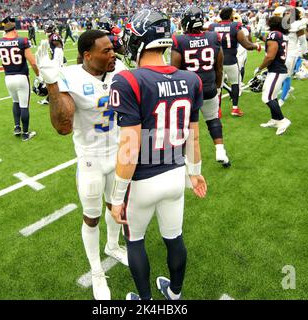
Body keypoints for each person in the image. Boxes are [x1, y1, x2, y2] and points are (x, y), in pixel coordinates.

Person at [108, 9, 207, 301]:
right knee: (174, 237)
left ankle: (145, 301)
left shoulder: (128, 80)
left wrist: (116, 196)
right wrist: (195, 171)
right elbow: (194, 135)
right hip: (175, 174)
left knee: (135, 240)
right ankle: (175, 294)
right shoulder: (191, 79)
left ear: (141, 40)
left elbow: (130, 145)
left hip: (141, 180)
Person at [35, 30, 128, 300]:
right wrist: (52, 84)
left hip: (118, 152)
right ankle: (97, 272)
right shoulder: (71, 76)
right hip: (91, 158)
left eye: (113, 49)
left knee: (117, 208)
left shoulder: (119, 68)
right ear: (88, 55)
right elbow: (63, 127)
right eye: (106, 51)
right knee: (92, 216)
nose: (113, 54)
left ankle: (113, 246)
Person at [171, 5, 230, 168]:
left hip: (188, 90)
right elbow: (219, 67)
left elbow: (174, 70)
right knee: (213, 119)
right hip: (209, 86)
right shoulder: (213, 37)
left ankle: (181, 158)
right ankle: (220, 151)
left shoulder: (179, 40)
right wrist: (217, 87)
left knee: (183, 125)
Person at [0, 17, 39, 141]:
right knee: (24, 106)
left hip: (8, 78)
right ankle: (25, 133)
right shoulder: (22, 40)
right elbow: (33, 62)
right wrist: (39, 75)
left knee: (15, 102)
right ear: (14, 29)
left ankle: (17, 127)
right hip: (21, 76)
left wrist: (4, 42)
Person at [209, 7, 262, 117]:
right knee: (235, 84)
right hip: (231, 61)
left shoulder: (213, 26)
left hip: (217, 62)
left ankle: (217, 110)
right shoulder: (235, 26)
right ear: (230, 16)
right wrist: (256, 46)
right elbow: (247, 45)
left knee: (218, 86)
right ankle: (235, 109)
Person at [254, 16, 292, 136]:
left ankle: (282, 120)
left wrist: (260, 67)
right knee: (272, 95)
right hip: (278, 69)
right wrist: (261, 37)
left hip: (276, 70)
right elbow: (272, 43)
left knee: (267, 97)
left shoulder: (274, 35)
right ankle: (275, 119)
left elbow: (270, 56)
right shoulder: (280, 35)